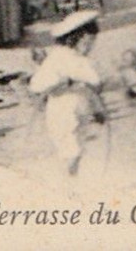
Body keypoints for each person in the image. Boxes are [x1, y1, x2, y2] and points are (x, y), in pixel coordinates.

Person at [29, 9, 110, 177]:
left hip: (81, 111)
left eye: (92, 43)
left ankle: (71, 182)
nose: (89, 47)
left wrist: (97, 110)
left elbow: (93, 86)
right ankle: (66, 184)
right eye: (87, 42)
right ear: (75, 38)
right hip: (62, 111)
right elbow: (37, 85)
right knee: (71, 151)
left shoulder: (82, 61)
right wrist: (63, 83)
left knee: (78, 150)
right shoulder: (58, 58)